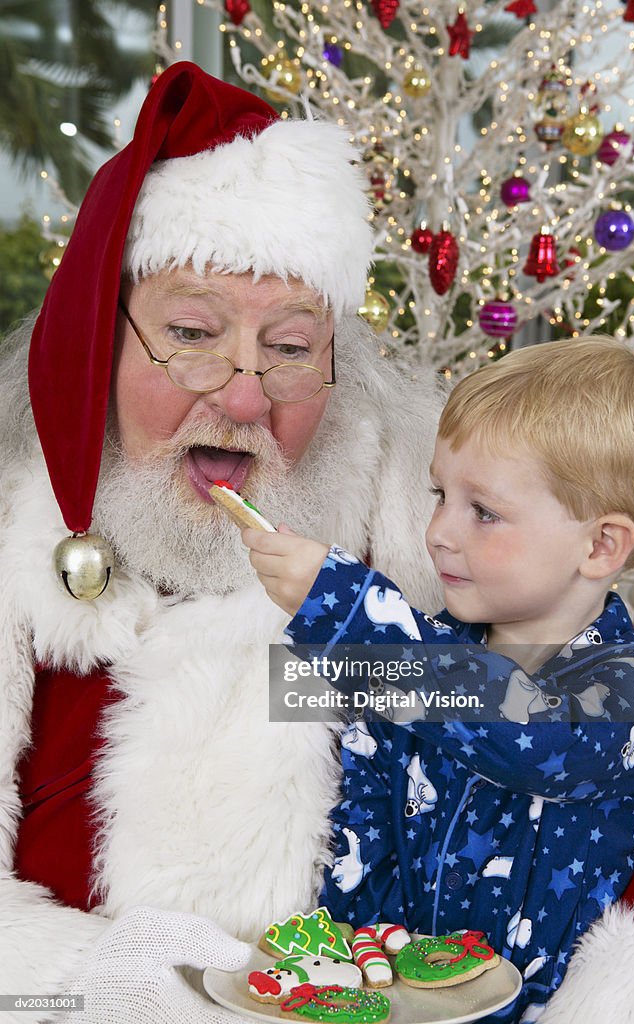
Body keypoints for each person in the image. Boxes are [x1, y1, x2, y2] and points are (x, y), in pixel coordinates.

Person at [0, 61, 444, 1024]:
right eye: (192, 332)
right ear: (97, 348)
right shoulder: (12, 552)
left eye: (290, 348)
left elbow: (594, 750)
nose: (244, 398)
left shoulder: (431, 542)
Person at [243, 336, 634, 1022]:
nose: (438, 532)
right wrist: (339, 959)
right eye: (438, 494)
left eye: (483, 511)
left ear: (599, 546)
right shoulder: (427, 655)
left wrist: (347, 609)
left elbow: (526, 735)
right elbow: (360, 817)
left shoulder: (633, 688)